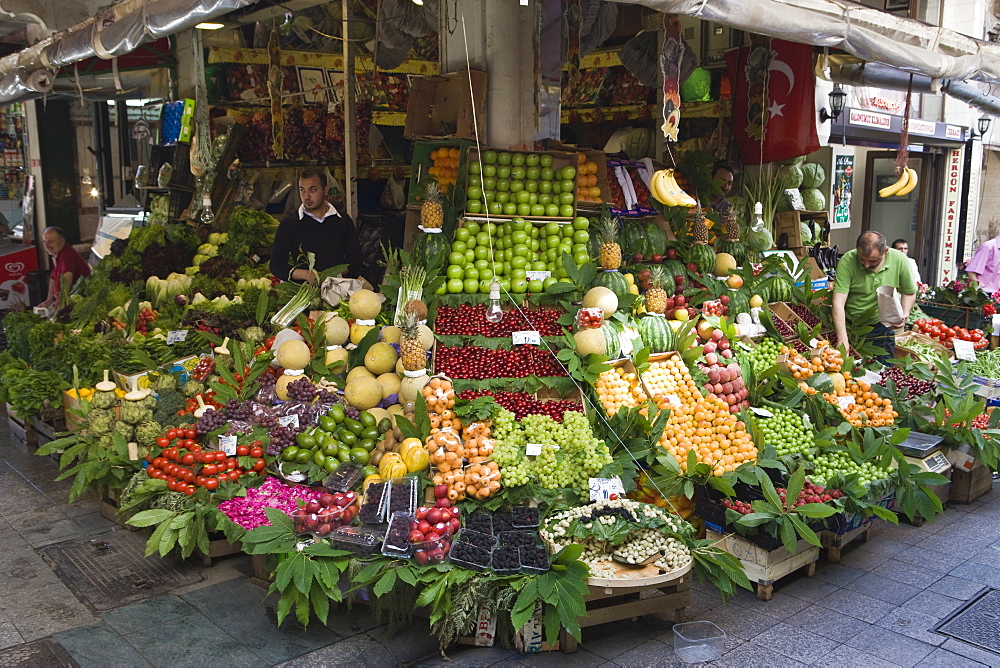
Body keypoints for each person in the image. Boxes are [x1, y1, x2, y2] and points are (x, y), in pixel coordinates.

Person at [832, 231, 916, 360]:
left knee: (883, 369)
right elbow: (838, 302)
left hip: (882, 325)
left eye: (872, 261)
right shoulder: (847, 260)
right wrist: (842, 338)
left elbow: (909, 291)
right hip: (850, 324)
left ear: (885, 251)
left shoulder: (899, 260)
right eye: (862, 259)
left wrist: (904, 313)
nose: (866, 265)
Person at [270, 169, 365, 283]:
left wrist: (333, 274)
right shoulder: (289, 224)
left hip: (338, 288)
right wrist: (307, 275)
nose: (306, 196)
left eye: (313, 190)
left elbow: (356, 258)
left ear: (325, 190)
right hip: (303, 291)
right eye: (302, 190)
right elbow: (276, 264)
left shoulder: (342, 220)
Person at [39, 226, 90, 309]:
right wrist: (49, 300)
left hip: (78, 302)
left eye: (50, 241)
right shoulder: (57, 255)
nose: (47, 245)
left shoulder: (67, 254)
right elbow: (53, 278)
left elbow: (68, 275)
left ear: (62, 241)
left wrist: (61, 299)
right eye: (45, 241)